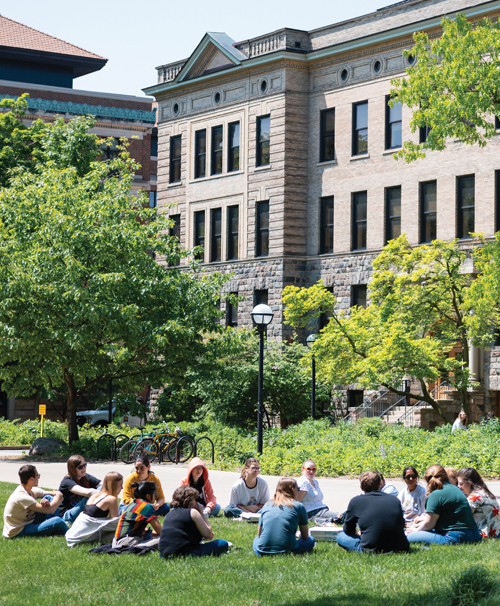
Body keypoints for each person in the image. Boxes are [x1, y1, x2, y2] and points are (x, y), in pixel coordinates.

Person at [336, 470, 409, 553]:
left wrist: (359, 534)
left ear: (361, 487)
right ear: (380, 484)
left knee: (341, 536)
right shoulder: (394, 500)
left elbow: (348, 529)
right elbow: (401, 524)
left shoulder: (356, 501)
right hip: (399, 546)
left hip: (372, 548)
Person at [407, 464, 482, 545]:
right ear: (445, 476)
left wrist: (414, 531)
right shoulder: (457, 489)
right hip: (475, 535)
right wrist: (417, 526)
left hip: (457, 537)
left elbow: (429, 525)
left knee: (410, 537)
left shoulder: (435, 495)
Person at [159, 486, 229, 557]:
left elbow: (179, 534)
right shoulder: (192, 512)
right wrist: (202, 513)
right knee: (222, 543)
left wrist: (201, 538)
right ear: (192, 501)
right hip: (184, 553)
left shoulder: (170, 514)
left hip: (164, 553)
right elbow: (208, 533)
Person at [253, 477, 315, 556]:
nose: (299, 492)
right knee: (311, 539)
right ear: (292, 489)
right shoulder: (299, 506)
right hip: (289, 549)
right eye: (298, 488)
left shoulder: (267, 504)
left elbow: (259, 534)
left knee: (256, 539)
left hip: (263, 550)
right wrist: (298, 534)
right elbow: (305, 536)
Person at [3, 464, 68, 538]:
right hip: (20, 530)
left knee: (48, 497)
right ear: (31, 479)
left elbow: (45, 493)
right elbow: (51, 510)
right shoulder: (22, 496)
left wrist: (50, 498)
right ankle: (69, 533)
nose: (39, 478)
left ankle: (56, 529)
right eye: (37, 475)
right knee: (57, 521)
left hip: (29, 521)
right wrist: (59, 495)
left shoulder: (27, 489)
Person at [65, 472, 123, 547]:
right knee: (121, 532)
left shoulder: (95, 496)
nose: (122, 488)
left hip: (72, 537)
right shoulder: (111, 499)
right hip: (80, 541)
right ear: (114, 485)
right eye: (120, 485)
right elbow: (115, 523)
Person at [113, 480, 162, 551]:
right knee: (164, 538)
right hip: (127, 544)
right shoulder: (147, 506)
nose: (155, 497)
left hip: (116, 543)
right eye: (155, 494)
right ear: (148, 496)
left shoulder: (132, 504)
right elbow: (160, 531)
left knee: (148, 534)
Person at [457, 467, 500, 538]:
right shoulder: (484, 492)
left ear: (469, 483)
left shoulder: (475, 497)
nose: (459, 487)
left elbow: (461, 517)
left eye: (461, 484)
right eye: (458, 484)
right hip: (496, 532)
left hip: (486, 534)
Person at [58, 455, 101, 523]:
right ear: (72, 469)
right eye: (80, 467)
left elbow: (102, 484)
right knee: (90, 497)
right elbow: (87, 493)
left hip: (81, 510)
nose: (83, 468)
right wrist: (106, 493)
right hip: (67, 514)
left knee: (101, 488)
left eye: (85, 465)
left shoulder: (85, 477)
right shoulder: (67, 481)